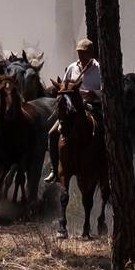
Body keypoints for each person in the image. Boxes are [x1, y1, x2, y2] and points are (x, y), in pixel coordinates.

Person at [45, 38, 103, 183]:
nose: (80, 56)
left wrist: (93, 94)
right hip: (72, 107)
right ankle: (54, 169)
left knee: (104, 132)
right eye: (79, 52)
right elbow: (64, 86)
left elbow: (105, 91)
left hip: (93, 106)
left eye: (83, 52)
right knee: (52, 133)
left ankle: (106, 167)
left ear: (90, 53)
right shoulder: (72, 67)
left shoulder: (99, 69)